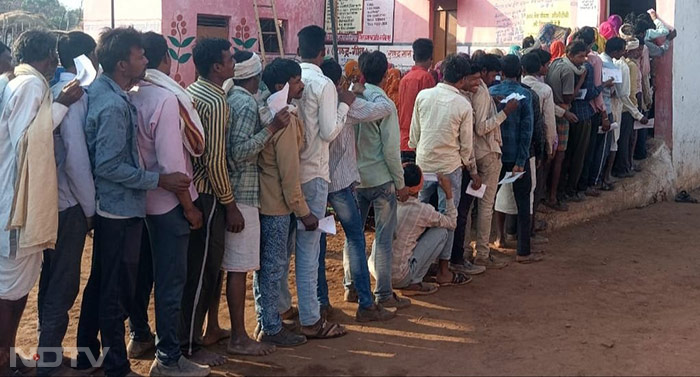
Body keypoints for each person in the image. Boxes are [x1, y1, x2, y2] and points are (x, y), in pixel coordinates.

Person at [76, 27, 191, 377]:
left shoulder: (109, 92)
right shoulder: (113, 104)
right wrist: (160, 180)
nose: (146, 61)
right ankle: (115, 366)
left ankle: (86, 355)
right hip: (119, 209)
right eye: (141, 56)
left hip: (114, 206)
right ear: (124, 64)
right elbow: (109, 166)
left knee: (101, 284)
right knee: (114, 291)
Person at [127, 32, 210, 376]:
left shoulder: (129, 94)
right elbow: (176, 164)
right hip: (167, 205)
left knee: (140, 275)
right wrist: (190, 208)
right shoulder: (166, 99)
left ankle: (140, 335)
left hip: (136, 203)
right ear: (164, 60)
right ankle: (169, 359)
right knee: (171, 282)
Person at [0, 30, 83, 376]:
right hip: (17, 205)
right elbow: (27, 141)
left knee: (18, 288)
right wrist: (62, 103)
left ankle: (7, 354)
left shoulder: (19, 82)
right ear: (49, 57)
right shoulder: (30, 86)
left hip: (18, 200)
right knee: (8, 291)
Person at [36, 31, 96, 377]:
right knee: (63, 281)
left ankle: (50, 354)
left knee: (50, 278)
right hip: (68, 203)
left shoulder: (55, 86)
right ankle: (49, 360)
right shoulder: (74, 92)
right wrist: (89, 210)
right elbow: (76, 158)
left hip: (50, 200)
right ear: (87, 59)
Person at [318, 58, 395, 323]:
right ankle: (365, 302)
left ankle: (322, 303)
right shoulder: (346, 105)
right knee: (355, 239)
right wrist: (355, 92)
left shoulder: (306, 99)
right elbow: (385, 108)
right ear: (338, 82)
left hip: (316, 183)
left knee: (315, 243)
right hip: (341, 182)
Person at [180, 37, 237, 366]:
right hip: (207, 193)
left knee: (197, 270)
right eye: (229, 60)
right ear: (217, 67)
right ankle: (189, 343)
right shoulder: (215, 102)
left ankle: (197, 334)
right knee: (202, 271)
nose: (232, 64)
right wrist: (229, 203)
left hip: (195, 191)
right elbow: (214, 160)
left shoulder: (194, 91)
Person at [255, 58, 318, 347]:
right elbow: (289, 172)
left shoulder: (269, 109)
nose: (301, 85)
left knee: (268, 267)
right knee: (273, 267)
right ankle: (270, 326)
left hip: (266, 200)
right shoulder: (283, 118)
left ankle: (267, 320)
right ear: (282, 86)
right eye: (295, 80)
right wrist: (304, 212)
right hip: (277, 205)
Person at [294, 25, 352, 339]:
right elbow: (330, 132)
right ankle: (310, 319)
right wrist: (346, 104)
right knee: (307, 249)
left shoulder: (289, 77)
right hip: (314, 172)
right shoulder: (322, 83)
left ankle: (280, 314)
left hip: (287, 174)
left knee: (281, 250)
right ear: (323, 50)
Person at [409, 53, 478, 284]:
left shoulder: (424, 96)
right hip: (449, 168)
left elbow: (414, 136)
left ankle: (418, 262)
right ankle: (444, 269)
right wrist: (472, 169)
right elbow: (466, 147)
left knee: (419, 214)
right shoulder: (463, 104)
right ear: (461, 80)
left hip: (424, 165)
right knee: (449, 216)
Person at [354, 50, 412, 309]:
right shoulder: (385, 104)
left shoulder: (352, 99)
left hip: (354, 178)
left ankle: (351, 287)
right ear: (387, 74)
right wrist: (400, 184)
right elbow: (391, 150)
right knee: (383, 240)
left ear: (362, 74)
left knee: (353, 237)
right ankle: (383, 293)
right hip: (380, 179)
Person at [459, 54, 514, 270]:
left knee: (469, 205)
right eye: (493, 74)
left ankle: (465, 250)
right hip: (487, 153)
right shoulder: (480, 90)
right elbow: (481, 128)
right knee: (485, 206)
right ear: (483, 72)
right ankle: (482, 252)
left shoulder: (469, 89)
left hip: (472, 154)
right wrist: (504, 113)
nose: (494, 79)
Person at [489, 55, 541, 264]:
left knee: (488, 202)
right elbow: (526, 131)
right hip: (517, 155)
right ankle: (523, 251)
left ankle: (494, 242)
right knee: (523, 202)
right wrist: (522, 159)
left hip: (495, 155)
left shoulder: (490, 93)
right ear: (520, 70)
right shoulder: (524, 95)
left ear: (501, 72)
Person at [393, 165, 460, 295]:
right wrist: (449, 194)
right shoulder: (422, 210)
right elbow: (452, 223)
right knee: (442, 232)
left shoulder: (387, 201)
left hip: (377, 271)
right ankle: (415, 282)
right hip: (399, 276)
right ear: (420, 186)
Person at [544, 40, 587, 211]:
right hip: (561, 112)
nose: (583, 60)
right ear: (570, 55)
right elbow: (569, 97)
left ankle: (547, 193)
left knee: (551, 156)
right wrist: (581, 80)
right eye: (580, 56)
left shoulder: (556, 62)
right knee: (558, 157)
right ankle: (552, 196)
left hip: (551, 110)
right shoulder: (569, 71)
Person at [561, 39, 605, 202]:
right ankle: (573, 189)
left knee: (569, 153)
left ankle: (567, 188)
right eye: (581, 56)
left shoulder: (561, 66)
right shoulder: (586, 68)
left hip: (569, 113)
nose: (583, 59)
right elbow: (591, 92)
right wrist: (604, 85)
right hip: (583, 113)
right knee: (580, 155)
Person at [613, 38, 647, 178]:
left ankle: (625, 166)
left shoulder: (621, 64)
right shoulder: (629, 66)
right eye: (636, 50)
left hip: (624, 107)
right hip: (628, 108)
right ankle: (623, 168)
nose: (639, 52)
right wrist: (637, 112)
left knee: (623, 139)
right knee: (625, 139)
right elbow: (631, 91)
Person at [398, 38, 436, 163]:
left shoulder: (405, 78)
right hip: (418, 140)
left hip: (403, 138)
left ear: (414, 56)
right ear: (431, 58)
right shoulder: (426, 77)